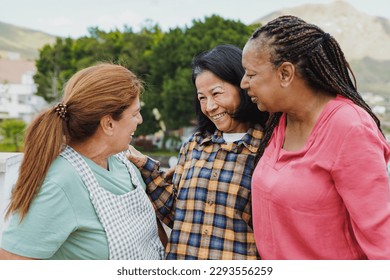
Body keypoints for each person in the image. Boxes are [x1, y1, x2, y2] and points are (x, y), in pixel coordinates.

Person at [240, 15, 390, 260]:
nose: (244, 83)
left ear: (286, 74)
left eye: (251, 74)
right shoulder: (279, 119)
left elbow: (382, 238)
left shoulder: (350, 127)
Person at [0, 63, 165, 260]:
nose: (140, 120)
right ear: (109, 124)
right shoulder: (60, 183)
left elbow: (153, 235)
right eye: (134, 113)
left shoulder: (126, 164)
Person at [127, 44, 269, 259]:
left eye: (216, 93)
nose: (210, 106)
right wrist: (147, 169)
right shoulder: (194, 146)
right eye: (202, 97)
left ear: (243, 88)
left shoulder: (268, 149)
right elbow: (179, 216)